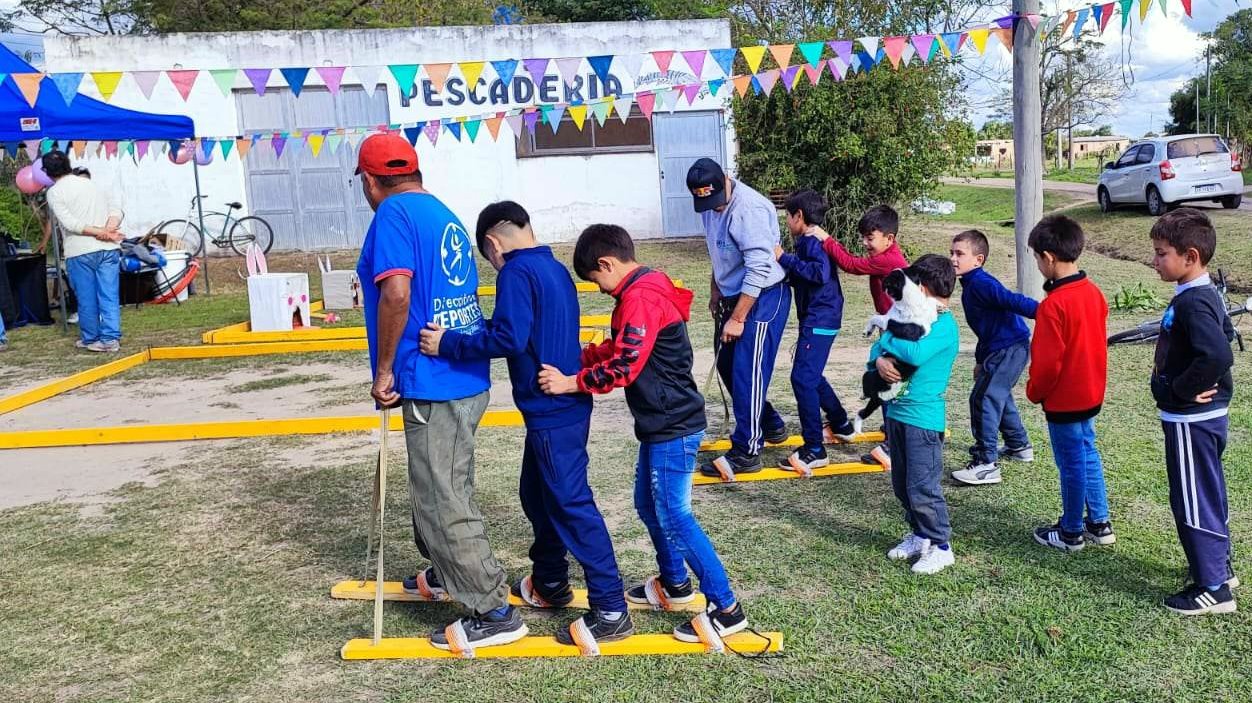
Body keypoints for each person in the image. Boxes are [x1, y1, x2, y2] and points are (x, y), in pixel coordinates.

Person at [419, 201, 631, 643]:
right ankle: (551, 580)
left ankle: (611, 608)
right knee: (536, 495)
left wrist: (449, 343)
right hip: (558, 408)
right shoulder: (552, 267)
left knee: (571, 504)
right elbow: (524, 330)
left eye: (489, 258)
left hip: (553, 411)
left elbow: (509, 337)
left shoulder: (515, 272)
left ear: (493, 244)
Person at [353, 133, 524, 652]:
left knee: (441, 496)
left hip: (434, 378)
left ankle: (493, 609)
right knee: (442, 483)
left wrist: (384, 371)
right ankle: (445, 571)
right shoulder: (441, 211)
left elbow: (397, 292)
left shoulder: (393, 215)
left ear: (368, 180)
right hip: (458, 373)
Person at [538, 224, 751, 643]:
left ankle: (727, 608)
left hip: (673, 424)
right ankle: (674, 584)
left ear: (607, 263)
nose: (599, 289)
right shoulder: (644, 287)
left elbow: (624, 368)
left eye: (596, 279)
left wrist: (569, 382)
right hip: (661, 422)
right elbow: (620, 348)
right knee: (648, 505)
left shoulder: (641, 298)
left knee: (674, 514)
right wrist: (577, 357)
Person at [1148, 208, 1237, 615]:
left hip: (1192, 421)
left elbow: (1217, 354)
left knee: (1192, 498)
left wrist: (1181, 390)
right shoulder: (1195, 294)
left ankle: (1214, 587)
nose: (1155, 260)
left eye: (1161, 253)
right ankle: (1220, 567)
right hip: (1196, 420)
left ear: (1191, 256)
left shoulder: (1195, 301)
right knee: (1206, 491)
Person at [687, 157, 791, 479]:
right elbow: (717, 251)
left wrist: (739, 317)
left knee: (748, 367)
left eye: (716, 200)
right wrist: (716, 288)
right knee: (726, 363)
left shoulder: (750, 210)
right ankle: (770, 423)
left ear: (727, 179)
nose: (714, 208)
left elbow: (759, 267)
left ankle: (747, 450)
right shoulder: (709, 206)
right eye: (706, 201)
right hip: (733, 293)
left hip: (764, 294)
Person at [1025, 215, 1115, 553]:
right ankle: (1100, 522)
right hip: (1091, 392)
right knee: (1087, 450)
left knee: (1071, 462)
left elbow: (1048, 363)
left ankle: (1071, 531)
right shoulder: (1093, 293)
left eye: (1036, 258)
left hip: (1065, 399)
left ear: (1048, 257)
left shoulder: (1053, 306)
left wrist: (1034, 391)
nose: (1037, 264)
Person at [871, 255, 961, 575]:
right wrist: (880, 360)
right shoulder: (909, 318)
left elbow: (916, 353)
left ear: (920, 288)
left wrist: (887, 339)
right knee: (902, 484)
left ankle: (941, 545)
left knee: (923, 487)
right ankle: (920, 534)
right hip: (896, 413)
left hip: (922, 420)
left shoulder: (944, 327)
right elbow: (878, 349)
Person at [810, 205, 908, 461]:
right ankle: (893, 431)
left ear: (890, 238)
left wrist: (826, 239)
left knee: (887, 382)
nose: (865, 242)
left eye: (870, 238)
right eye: (863, 237)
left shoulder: (889, 259)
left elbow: (851, 265)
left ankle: (894, 445)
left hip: (900, 333)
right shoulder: (888, 255)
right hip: (892, 329)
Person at [773, 190, 856, 473]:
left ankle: (814, 449)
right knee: (810, 374)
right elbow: (809, 277)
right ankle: (840, 423)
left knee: (802, 379)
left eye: (788, 217)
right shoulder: (808, 240)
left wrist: (784, 259)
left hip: (821, 318)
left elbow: (818, 274)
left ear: (799, 216)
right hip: (821, 316)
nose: (787, 222)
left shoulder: (810, 242)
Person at [949, 230, 1038, 486]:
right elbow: (984, 330)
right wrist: (980, 361)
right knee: (997, 394)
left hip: (1010, 348)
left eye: (960, 254)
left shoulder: (981, 284)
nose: (953, 259)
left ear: (978, 260)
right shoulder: (971, 285)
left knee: (984, 398)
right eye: (952, 253)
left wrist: (1047, 312)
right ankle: (1018, 445)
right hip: (998, 348)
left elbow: (1012, 300)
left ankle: (986, 464)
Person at [42, 151, 122, 352]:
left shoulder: (54, 192)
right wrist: (108, 231)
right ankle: (110, 339)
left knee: (86, 297)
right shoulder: (92, 183)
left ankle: (91, 337)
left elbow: (71, 224)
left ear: (46, 172)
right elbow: (116, 209)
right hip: (108, 248)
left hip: (80, 250)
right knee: (109, 295)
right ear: (69, 165)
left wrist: (101, 232)